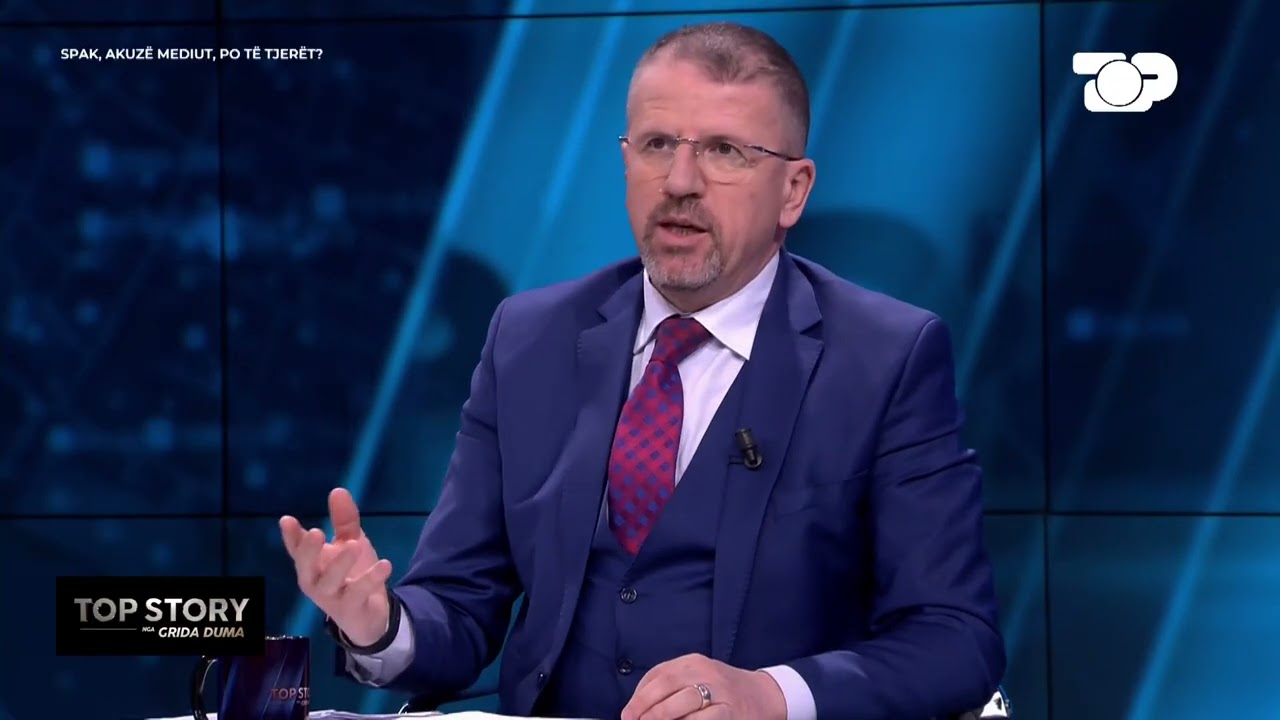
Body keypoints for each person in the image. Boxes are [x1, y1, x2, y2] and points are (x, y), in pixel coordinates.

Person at [280, 21, 1006, 720]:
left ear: (793, 190)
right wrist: (379, 625)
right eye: (658, 144)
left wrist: (772, 696)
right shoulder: (530, 337)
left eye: (725, 151)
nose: (680, 181)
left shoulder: (886, 357)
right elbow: (461, 608)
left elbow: (954, 637)